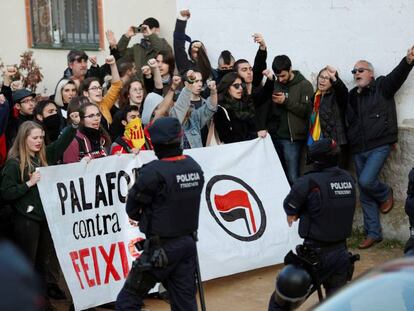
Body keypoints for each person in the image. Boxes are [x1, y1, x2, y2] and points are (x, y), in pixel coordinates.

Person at [115, 117, 205, 311]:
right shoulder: (194, 167)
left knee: (127, 301)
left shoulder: (153, 172)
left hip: (160, 250)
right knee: (185, 304)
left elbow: (132, 207)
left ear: (155, 145)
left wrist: (144, 216)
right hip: (187, 245)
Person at [268, 138, 357, 310]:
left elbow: (290, 209)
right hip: (341, 254)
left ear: (315, 159)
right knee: (339, 305)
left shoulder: (308, 182)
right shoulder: (349, 178)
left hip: (315, 256)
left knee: (280, 302)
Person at [0, 118, 79, 306]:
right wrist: (28, 183)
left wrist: (74, 126)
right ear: (23, 139)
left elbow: (61, 143)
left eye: (41, 138)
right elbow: (5, 193)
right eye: (34, 137)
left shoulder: (44, 157)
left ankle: (42, 301)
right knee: (28, 263)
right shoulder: (14, 163)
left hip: (45, 218)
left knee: (42, 263)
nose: (39, 141)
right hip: (25, 220)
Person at [346, 45, 414, 249]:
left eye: (361, 70)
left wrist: (408, 60)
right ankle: (373, 233)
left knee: (367, 181)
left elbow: (398, 76)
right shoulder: (352, 95)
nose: (356, 74)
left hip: (380, 145)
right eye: (354, 71)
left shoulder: (382, 86)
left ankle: (385, 193)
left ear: (371, 74)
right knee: (365, 192)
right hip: (358, 148)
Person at [257, 55, 313, 185]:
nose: (280, 79)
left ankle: (296, 204)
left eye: (283, 75)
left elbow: (307, 112)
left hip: (292, 139)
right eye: (278, 76)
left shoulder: (304, 85)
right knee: (277, 176)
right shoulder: (274, 83)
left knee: (293, 177)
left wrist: (285, 101)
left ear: (290, 69)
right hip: (273, 136)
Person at [308, 65, 348, 167]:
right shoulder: (315, 97)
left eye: (327, 78)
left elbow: (343, 92)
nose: (323, 80)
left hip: (335, 145)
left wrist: (335, 79)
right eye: (321, 77)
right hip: (318, 144)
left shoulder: (336, 96)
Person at [170, 70, 217, 149]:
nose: (200, 84)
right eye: (196, 81)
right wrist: (190, 82)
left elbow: (211, 108)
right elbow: (181, 108)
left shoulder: (194, 117)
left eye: (200, 81)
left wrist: (213, 91)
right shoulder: (175, 113)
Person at [80, 55, 121, 129]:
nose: (99, 91)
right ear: (86, 93)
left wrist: (113, 64)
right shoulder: (81, 111)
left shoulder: (104, 104)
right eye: (94, 88)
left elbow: (116, 85)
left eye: (99, 88)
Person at [214, 72, 257, 143]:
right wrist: (255, 135)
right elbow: (228, 138)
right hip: (234, 152)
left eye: (242, 85)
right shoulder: (220, 110)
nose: (240, 88)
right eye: (236, 86)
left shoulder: (245, 104)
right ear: (227, 87)